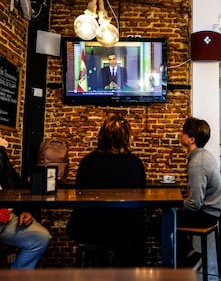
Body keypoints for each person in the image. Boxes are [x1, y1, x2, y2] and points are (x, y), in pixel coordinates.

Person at [66, 114, 146, 267]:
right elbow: (140, 198)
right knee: (136, 230)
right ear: (126, 137)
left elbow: (79, 193)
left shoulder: (87, 162)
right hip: (125, 229)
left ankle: (95, 279)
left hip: (90, 227)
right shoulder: (135, 164)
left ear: (101, 136)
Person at [177, 117, 221, 267]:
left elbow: (194, 204)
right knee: (169, 216)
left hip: (207, 215)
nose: (180, 134)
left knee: (163, 219)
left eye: (183, 132)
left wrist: (177, 206)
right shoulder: (203, 155)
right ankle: (189, 254)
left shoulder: (197, 163)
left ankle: (189, 259)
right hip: (212, 212)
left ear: (191, 139)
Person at [0, 137, 51, 269]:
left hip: (7, 219)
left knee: (41, 238)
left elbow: (18, 186)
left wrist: (25, 210)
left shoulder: (2, 160)